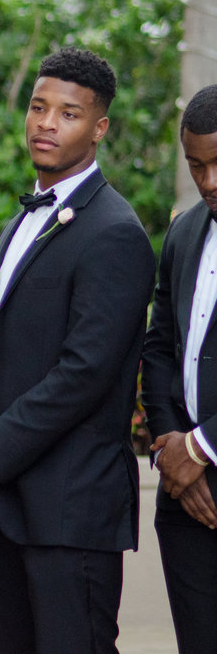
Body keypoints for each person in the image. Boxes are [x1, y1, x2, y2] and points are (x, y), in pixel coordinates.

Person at [0, 47, 155, 653]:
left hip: (72, 511)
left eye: (67, 114)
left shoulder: (115, 232)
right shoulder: (23, 220)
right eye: (38, 107)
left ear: (99, 129)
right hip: (7, 505)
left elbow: (84, 373)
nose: (46, 123)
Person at [142, 83, 217, 653]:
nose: (208, 181)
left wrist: (201, 449)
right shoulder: (185, 231)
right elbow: (161, 342)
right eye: (196, 166)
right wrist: (173, 446)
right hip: (184, 491)